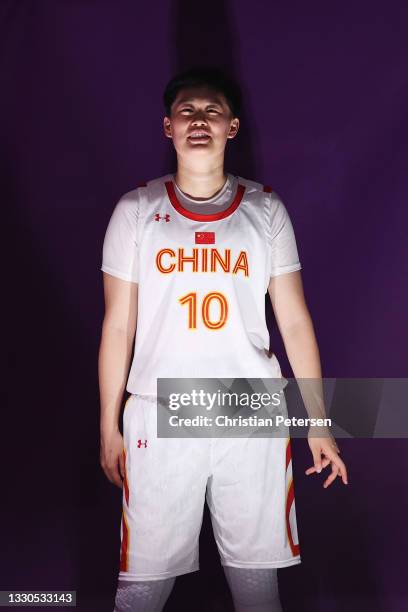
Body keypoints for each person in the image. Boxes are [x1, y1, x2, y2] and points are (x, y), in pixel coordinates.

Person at [99, 66, 348, 612]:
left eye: (212, 111)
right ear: (167, 127)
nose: (198, 121)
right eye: (186, 111)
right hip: (162, 412)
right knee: (141, 587)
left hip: (248, 409)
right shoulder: (136, 212)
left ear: (232, 127)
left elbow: (295, 321)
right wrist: (108, 422)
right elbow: (119, 324)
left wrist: (319, 423)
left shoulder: (265, 211)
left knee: (256, 584)